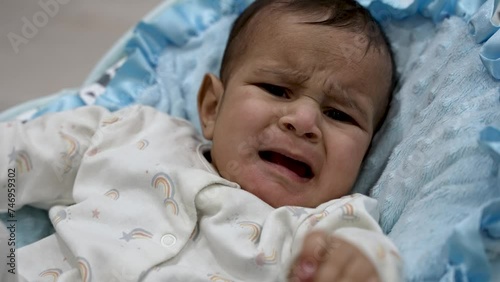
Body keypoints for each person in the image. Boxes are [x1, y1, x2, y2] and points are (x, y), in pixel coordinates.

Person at [0, 0, 401, 281]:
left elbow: (374, 260)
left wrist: (356, 266)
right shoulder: (135, 133)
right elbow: (20, 154)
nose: (304, 121)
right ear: (212, 107)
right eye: (277, 89)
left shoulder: (326, 225)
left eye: (339, 114)